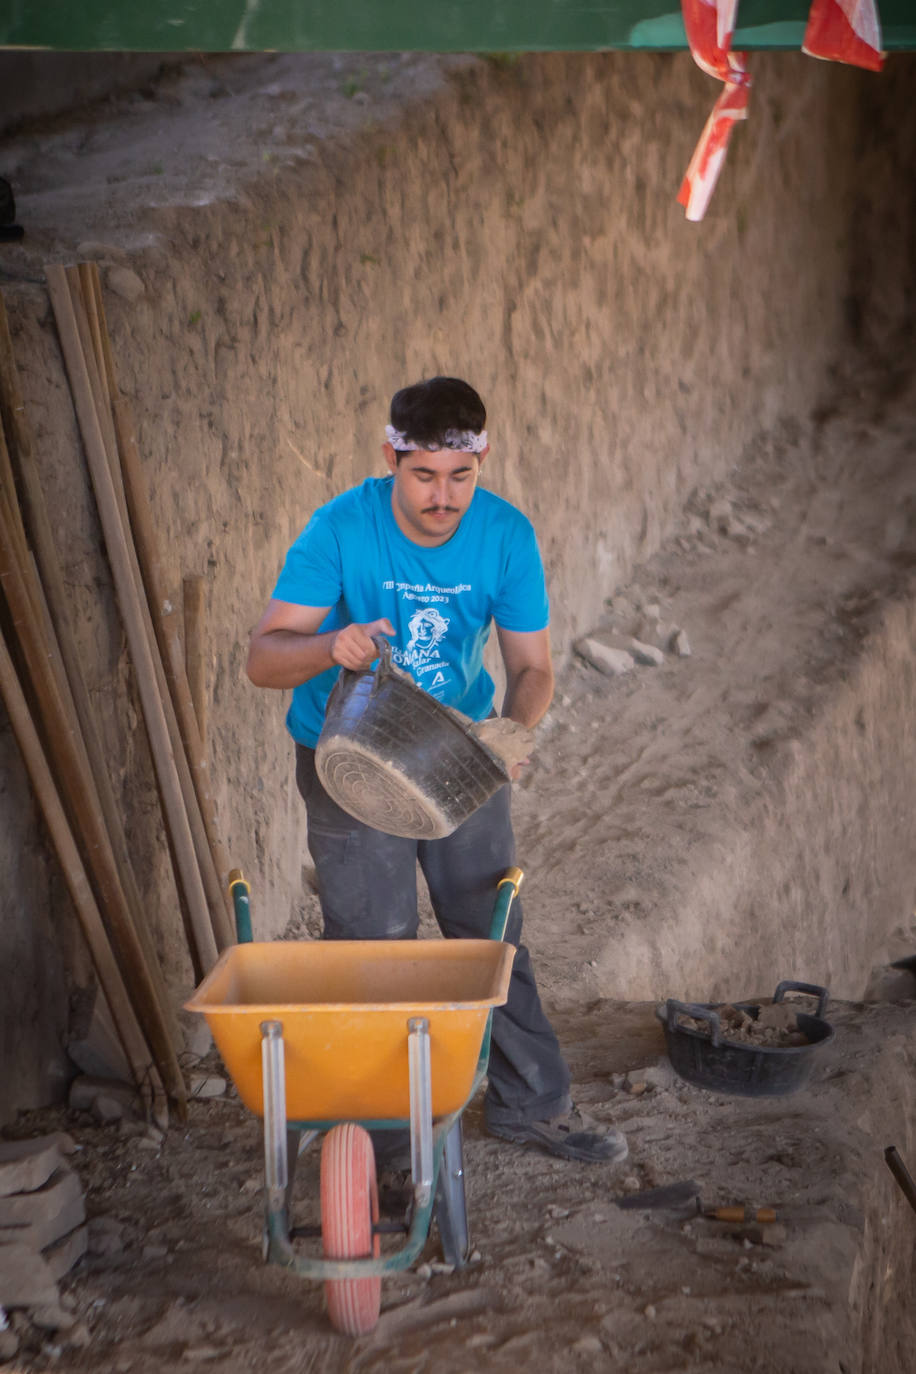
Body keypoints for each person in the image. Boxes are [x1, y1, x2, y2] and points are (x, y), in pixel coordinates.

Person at [246, 376, 627, 1166]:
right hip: (345, 754)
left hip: (456, 749)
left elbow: (532, 669)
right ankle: (380, 1150)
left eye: (460, 477)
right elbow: (263, 657)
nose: (442, 498)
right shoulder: (339, 529)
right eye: (423, 475)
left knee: (486, 928)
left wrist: (504, 741)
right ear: (390, 457)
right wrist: (330, 647)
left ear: (480, 463)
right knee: (372, 942)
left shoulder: (505, 536)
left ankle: (532, 1106)